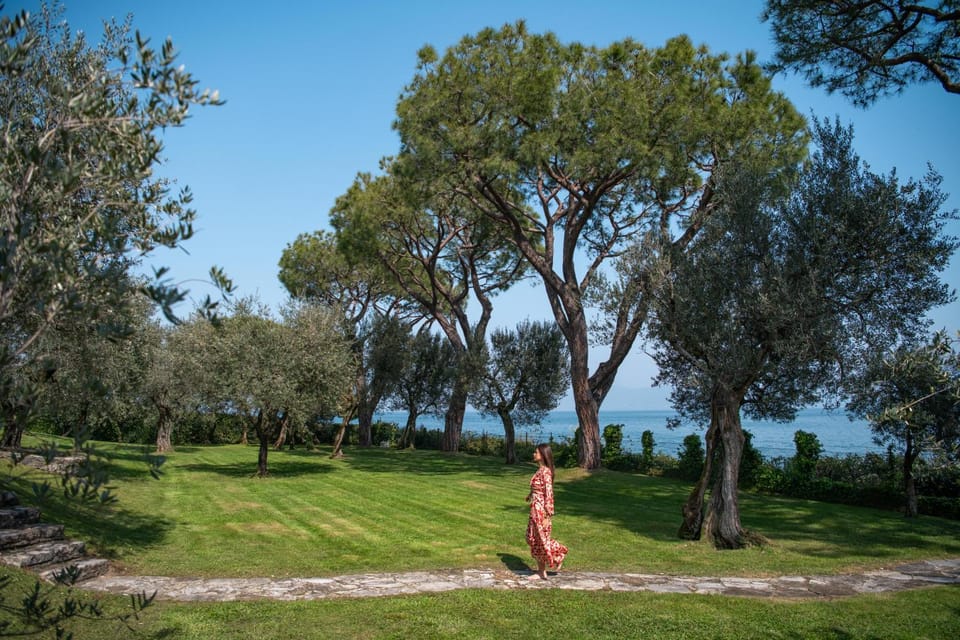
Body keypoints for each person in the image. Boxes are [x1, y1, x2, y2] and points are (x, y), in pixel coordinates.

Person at [524, 443, 568, 579]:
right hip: (534, 508)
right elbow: (538, 488)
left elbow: (549, 494)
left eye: (536, 452)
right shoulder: (540, 470)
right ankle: (541, 571)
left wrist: (548, 516)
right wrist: (530, 495)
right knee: (533, 539)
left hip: (541, 511)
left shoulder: (546, 472)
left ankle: (559, 552)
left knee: (541, 540)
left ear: (543, 455)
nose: (533, 454)